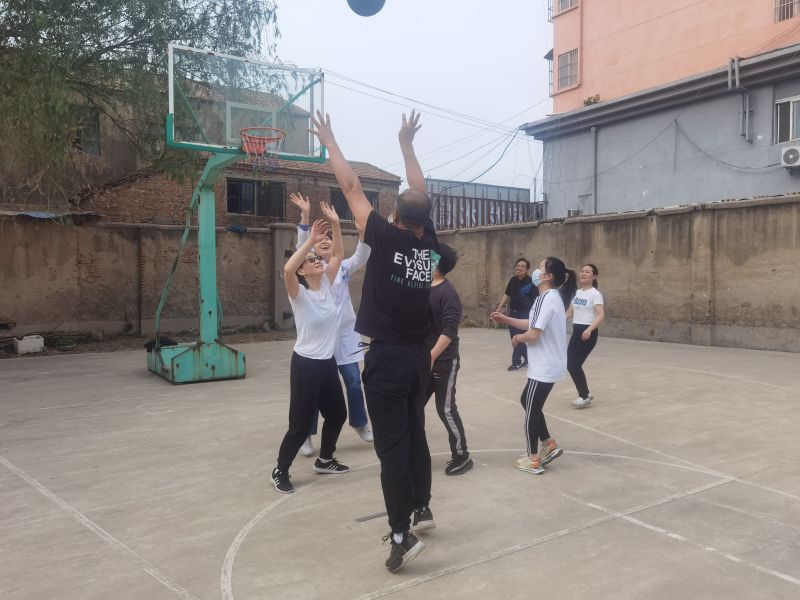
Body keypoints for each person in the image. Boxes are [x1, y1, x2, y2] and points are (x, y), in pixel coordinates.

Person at [310, 109, 437, 574]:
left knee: (392, 450)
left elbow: (350, 188)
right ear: (424, 220)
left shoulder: (383, 237)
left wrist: (330, 142)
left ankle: (401, 534)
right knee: (415, 433)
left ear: (396, 215)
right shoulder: (428, 244)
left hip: (386, 361)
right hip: (420, 359)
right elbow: (418, 192)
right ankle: (421, 506)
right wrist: (407, 146)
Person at [271, 205, 351, 494]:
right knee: (301, 425)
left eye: (317, 258)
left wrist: (336, 224)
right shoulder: (299, 294)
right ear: (303, 271)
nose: (317, 261)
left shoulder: (327, 284)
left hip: (327, 363)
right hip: (306, 365)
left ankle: (325, 459)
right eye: (311, 260)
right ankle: (280, 470)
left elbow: (338, 254)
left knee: (338, 414)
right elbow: (287, 269)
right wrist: (309, 241)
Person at [288, 192, 374, 457]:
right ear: (312, 251)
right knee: (313, 391)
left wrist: (361, 232)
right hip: (319, 340)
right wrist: (305, 216)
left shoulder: (341, 267)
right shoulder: (312, 270)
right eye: (321, 239)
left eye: (329, 238)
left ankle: (359, 422)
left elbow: (361, 255)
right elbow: (301, 248)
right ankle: (306, 434)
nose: (324, 241)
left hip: (344, 335)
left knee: (353, 381)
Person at [490, 257, 577, 475]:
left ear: (548, 276)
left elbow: (533, 334)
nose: (536, 271)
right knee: (527, 401)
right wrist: (507, 319)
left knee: (530, 409)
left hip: (544, 366)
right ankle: (549, 443)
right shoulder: (552, 297)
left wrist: (517, 339)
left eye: (539, 268)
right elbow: (533, 323)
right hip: (550, 364)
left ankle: (533, 458)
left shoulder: (545, 298)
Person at [424, 242, 472, 476]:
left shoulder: (448, 293)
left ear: (436, 262)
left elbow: (450, 329)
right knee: (412, 406)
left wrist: (432, 356)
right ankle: (414, 451)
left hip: (444, 361)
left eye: (428, 256)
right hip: (423, 360)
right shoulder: (422, 287)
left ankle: (462, 456)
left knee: (445, 409)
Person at [567, 264, 605, 409]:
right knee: (570, 363)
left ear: (594, 276)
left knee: (573, 364)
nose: (583, 273)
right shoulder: (577, 293)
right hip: (577, 331)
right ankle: (585, 393)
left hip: (588, 332)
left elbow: (601, 315)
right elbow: (569, 313)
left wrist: (589, 329)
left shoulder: (595, 294)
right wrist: (553, 320)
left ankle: (584, 396)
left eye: (587, 272)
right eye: (582, 271)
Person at [494, 259, 538, 371]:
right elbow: (507, 294)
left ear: (527, 269)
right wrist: (499, 307)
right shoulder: (513, 280)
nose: (519, 268)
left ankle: (516, 362)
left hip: (525, 314)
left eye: (522, 266)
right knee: (514, 338)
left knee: (518, 337)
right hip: (512, 313)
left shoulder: (531, 282)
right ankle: (528, 358)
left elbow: (535, 299)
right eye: (518, 266)